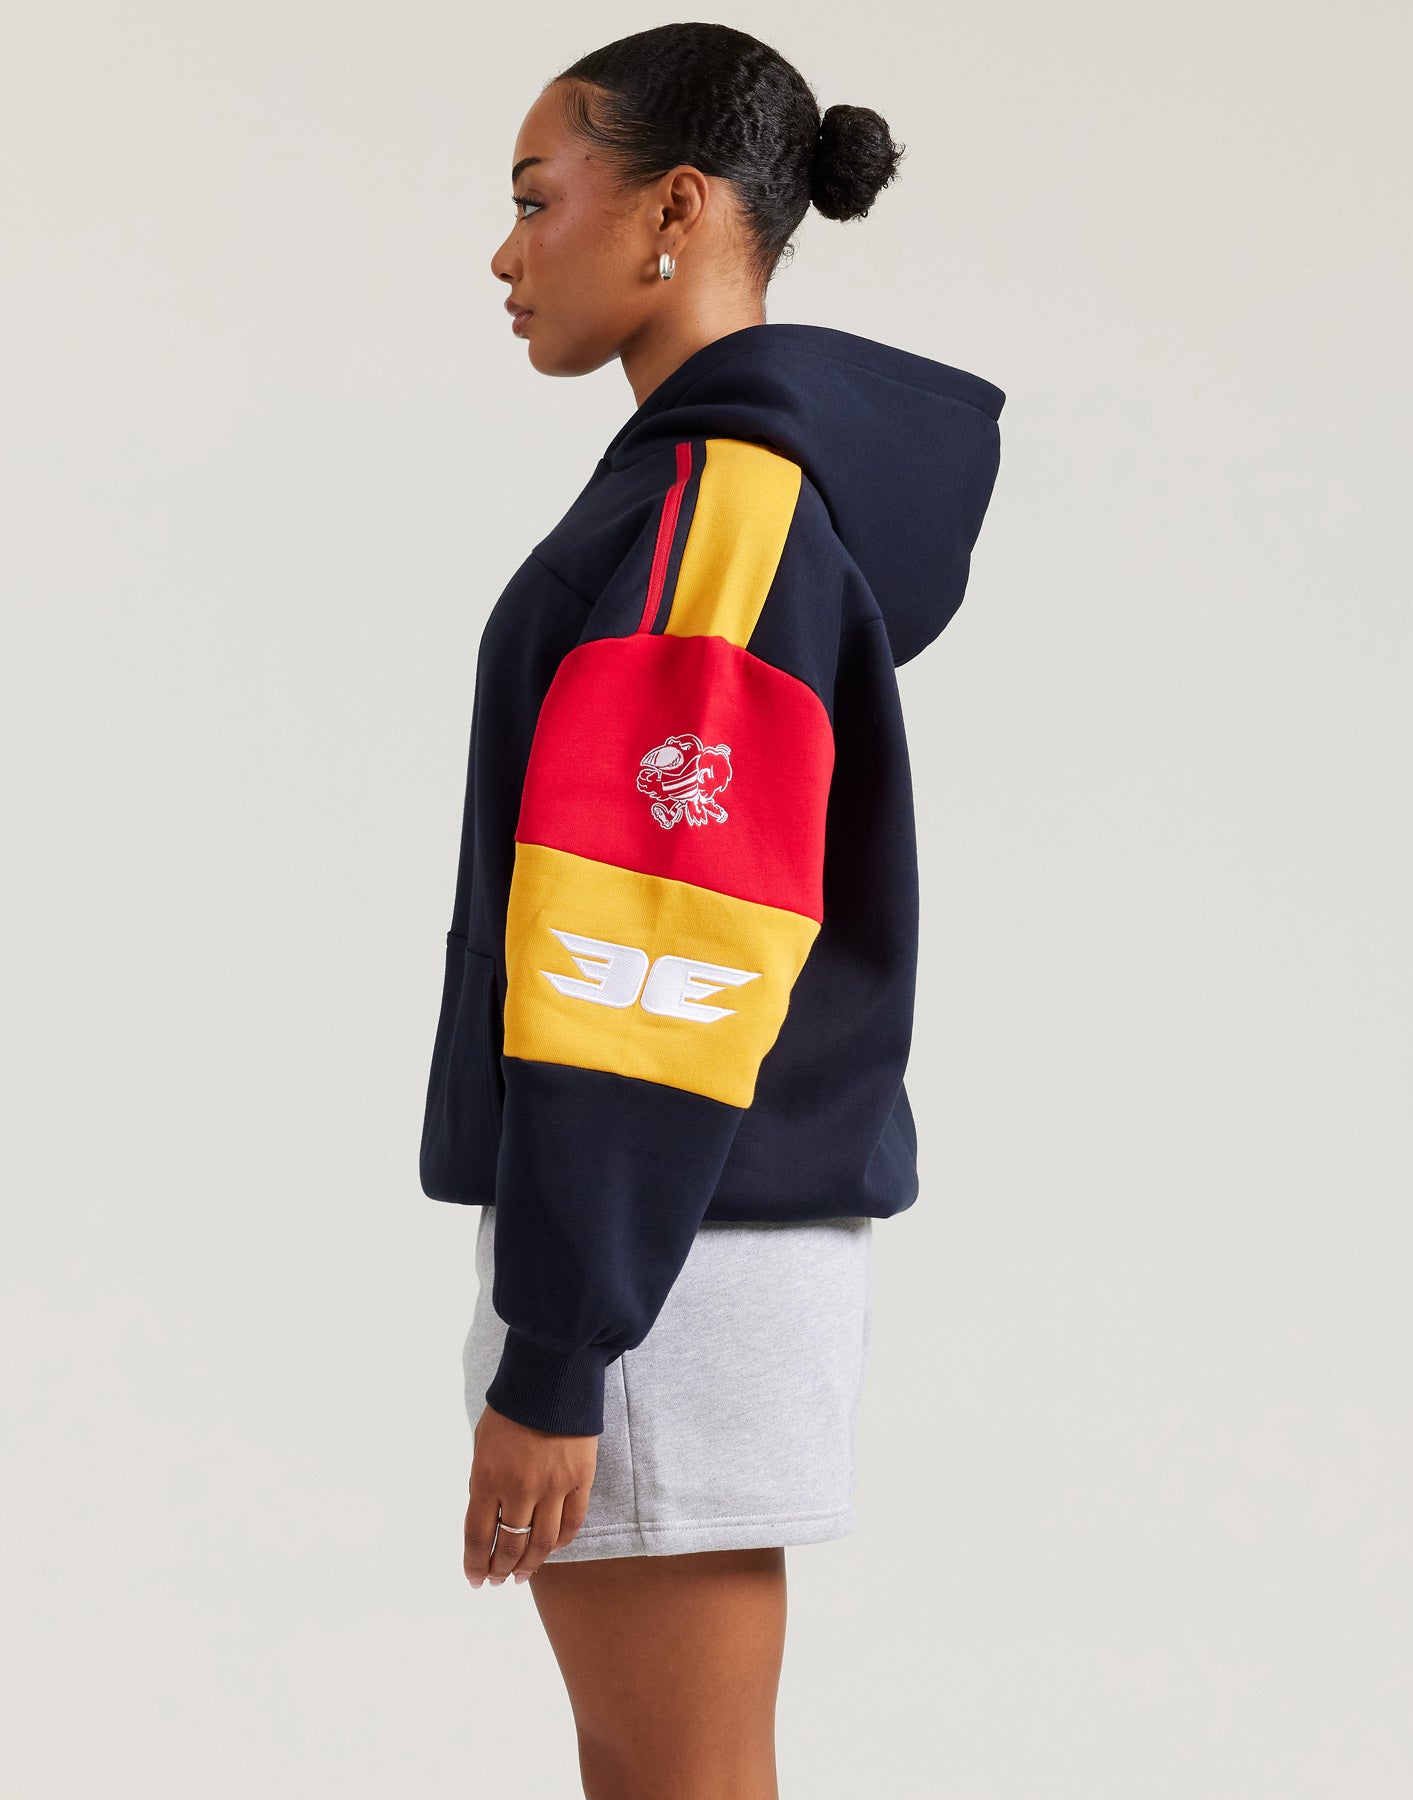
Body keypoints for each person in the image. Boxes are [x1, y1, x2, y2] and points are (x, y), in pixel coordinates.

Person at [417, 23, 1005, 1797]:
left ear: (676, 209)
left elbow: (658, 933)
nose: (506, 252)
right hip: (682, 1221)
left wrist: (559, 1345)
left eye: (539, 199)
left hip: (660, 1236)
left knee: (677, 1777)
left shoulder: (711, 514)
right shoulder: (729, 493)